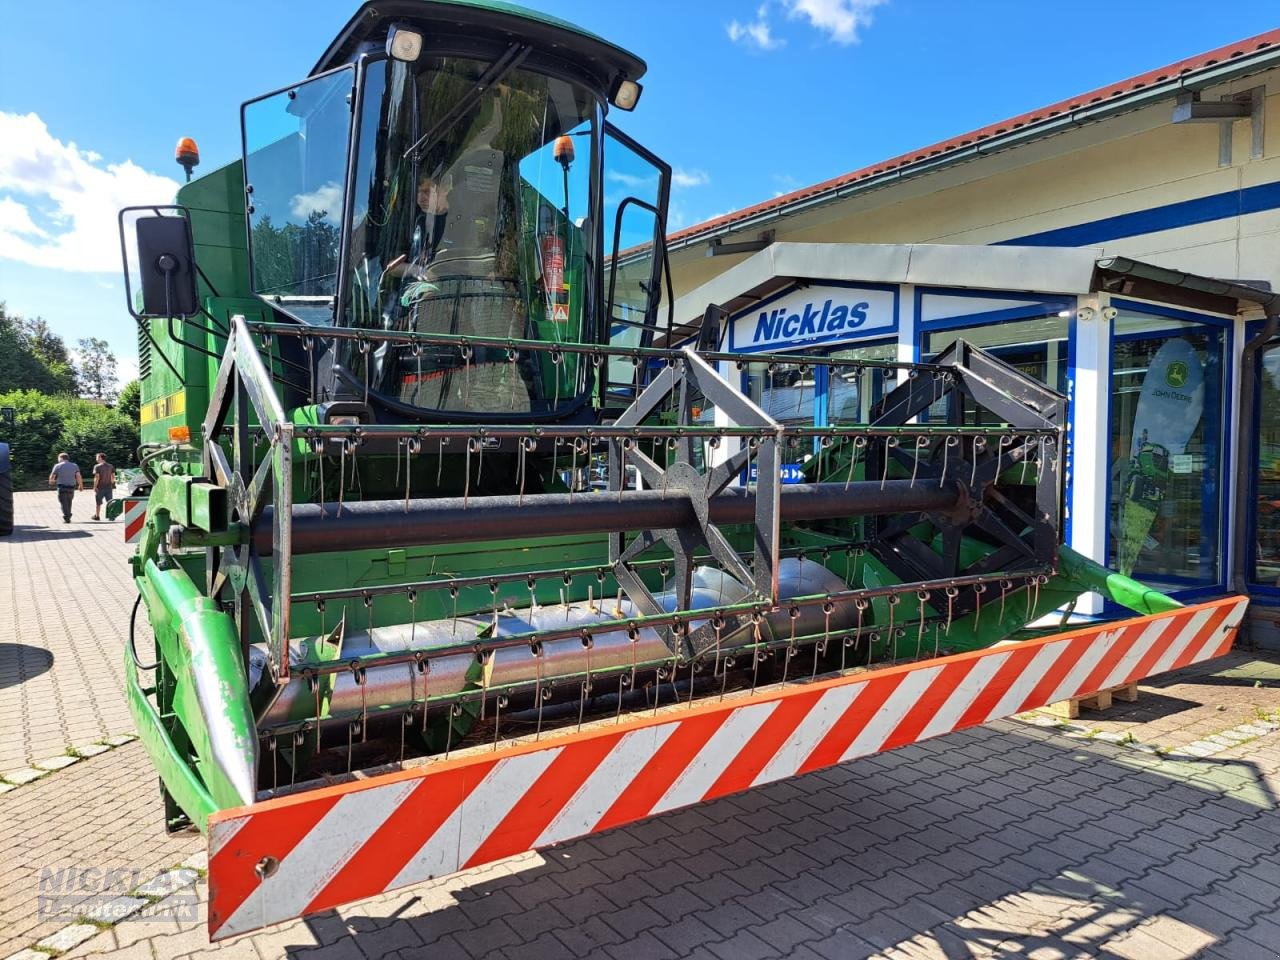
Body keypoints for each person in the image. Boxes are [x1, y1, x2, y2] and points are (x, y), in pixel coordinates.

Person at [48, 452, 83, 523]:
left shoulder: (57, 466)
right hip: (71, 487)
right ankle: (68, 515)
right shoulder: (74, 465)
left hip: (62, 487)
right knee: (69, 502)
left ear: (61, 458)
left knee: (63, 502)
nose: (58, 459)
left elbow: (53, 475)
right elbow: (78, 476)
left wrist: (51, 481)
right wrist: (80, 485)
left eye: (58, 458)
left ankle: (67, 516)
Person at [91, 452, 115, 521]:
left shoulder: (97, 466)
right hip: (109, 487)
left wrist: (95, 486)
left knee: (98, 503)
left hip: (100, 488)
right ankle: (111, 516)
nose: (96, 459)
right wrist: (112, 484)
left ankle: (97, 516)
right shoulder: (110, 466)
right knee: (110, 502)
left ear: (100, 458)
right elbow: (113, 476)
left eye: (97, 457)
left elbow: (97, 477)